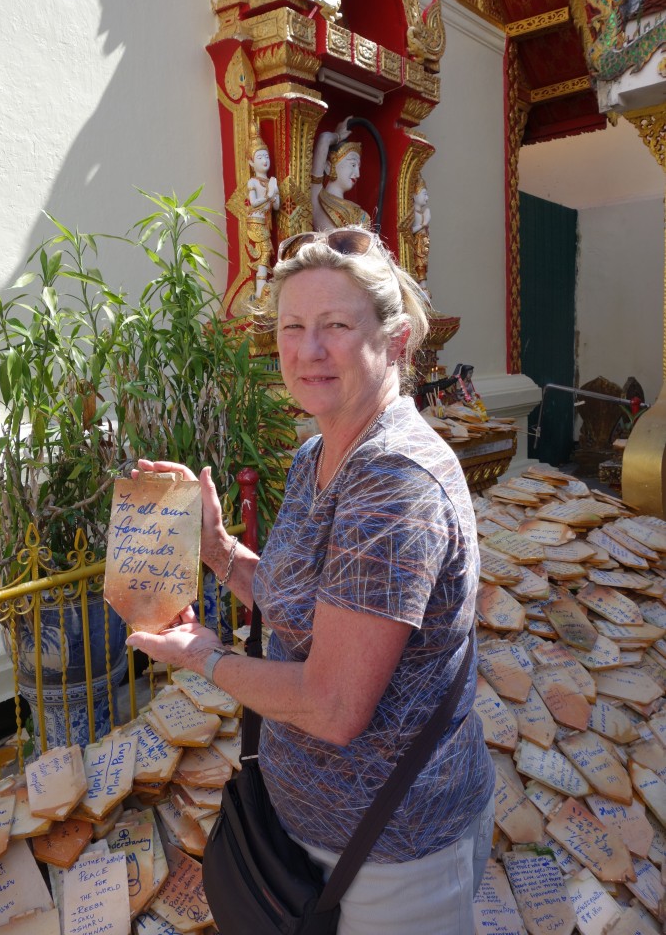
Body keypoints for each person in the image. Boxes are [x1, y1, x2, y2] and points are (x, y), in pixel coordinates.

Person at [126, 226, 495, 935]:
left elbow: (331, 706)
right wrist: (217, 550)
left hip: (393, 857)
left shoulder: (394, 483)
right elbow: (305, 607)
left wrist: (205, 657)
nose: (307, 349)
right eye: (293, 327)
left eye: (334, 326)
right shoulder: (317, 452)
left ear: (394, 344)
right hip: (305, 833)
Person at [311, 119, 371, 231]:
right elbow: (324, 139)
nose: (357, 174)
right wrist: (337, 136)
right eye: (353, 164)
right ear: (328, 166)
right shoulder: (319, 197)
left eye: (358, 167)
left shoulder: (361, 214)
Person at [246, 120, 280, 299]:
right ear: (251, 163)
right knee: (265, 251)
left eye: (266, 156)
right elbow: (253, 203)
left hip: (266, 222)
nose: (265, 160)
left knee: (267, 252)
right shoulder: (252, 182)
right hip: (256, 221)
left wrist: (274, 193)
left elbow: (276, 206)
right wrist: (268, 195)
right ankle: (260, 289)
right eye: (260, 157)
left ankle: (263, 286)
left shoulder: (271, 181)